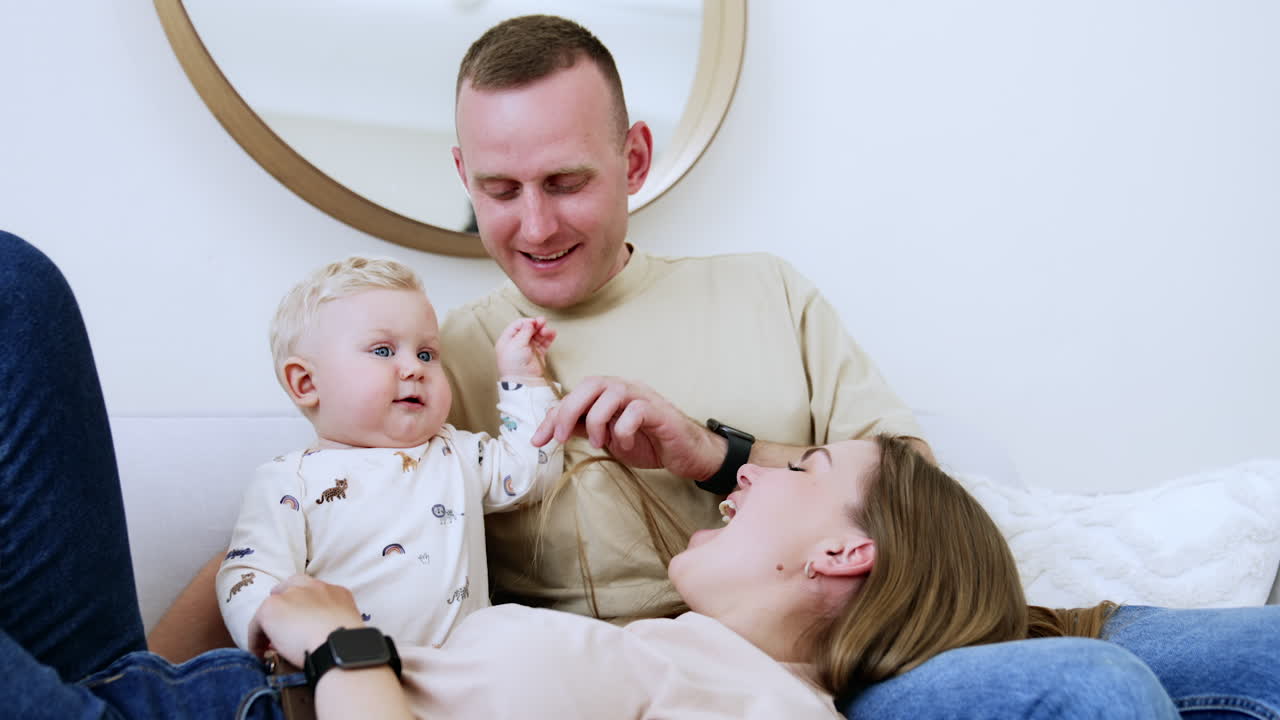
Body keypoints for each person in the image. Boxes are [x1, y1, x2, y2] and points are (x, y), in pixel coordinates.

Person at [150, 14, 1280, 717]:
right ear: (462, 174)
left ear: (632, 158)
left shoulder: (763, 291)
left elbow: (914, 484)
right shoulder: (435, 359)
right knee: (1088, 696)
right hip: (724, 689)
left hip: (890, 637)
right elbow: (300, 521)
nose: (533, 224)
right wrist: (131, 669)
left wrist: (711, 451)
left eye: (566, 182)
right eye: (498, 191)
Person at [0, 234, 1183, 716]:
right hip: (170, 683)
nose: (741, 481)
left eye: (799, 464)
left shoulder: (752, 708)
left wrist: (345, 652)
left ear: (841, 551)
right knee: (17, 287)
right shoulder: (690, 658)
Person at [217, 256, 563, 653]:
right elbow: (250, 571)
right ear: (307, 382)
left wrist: (524, 380)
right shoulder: (288, 481)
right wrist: (278, 635)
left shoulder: (457, 454)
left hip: (463, 674)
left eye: (428, 354)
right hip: (351, 676)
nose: (414, 368)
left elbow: (534, 474)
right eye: (382, 351)